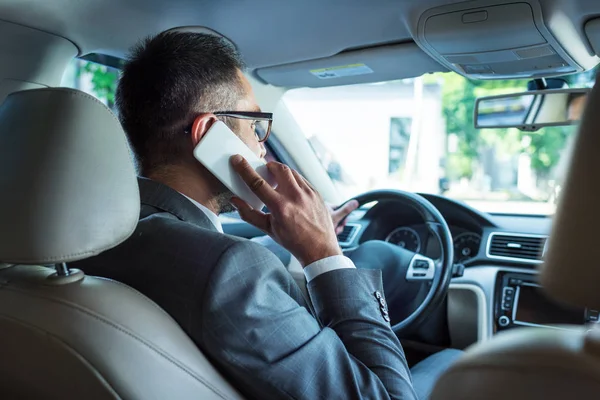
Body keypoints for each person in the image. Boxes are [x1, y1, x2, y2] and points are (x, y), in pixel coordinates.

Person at [73, 31, 461, 399]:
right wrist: (324, 254)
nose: (263, 147)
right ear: (208, 131)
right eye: (257, 127)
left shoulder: (85, 239)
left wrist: (294, 247)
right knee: (454, 361)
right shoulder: (231, 272)